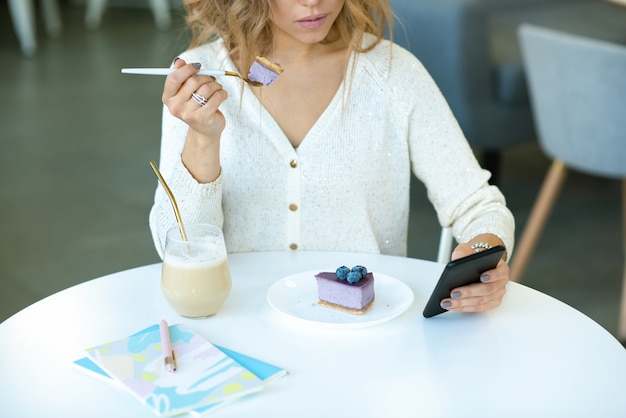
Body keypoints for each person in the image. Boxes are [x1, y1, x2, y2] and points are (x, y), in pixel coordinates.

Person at [149, 0, 515, 314]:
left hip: (365, 330)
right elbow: (177, 245)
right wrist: (203, 137)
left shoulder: (393, 74)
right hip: (241, 324)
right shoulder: (199, 82)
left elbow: (477, 204)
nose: (314, 2)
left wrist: (484, 255)